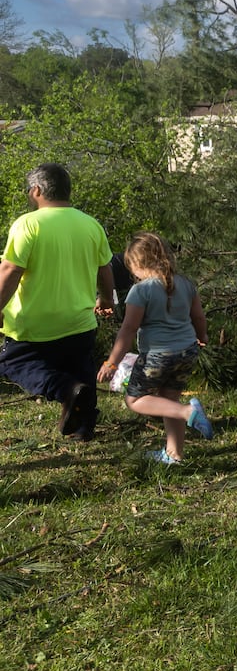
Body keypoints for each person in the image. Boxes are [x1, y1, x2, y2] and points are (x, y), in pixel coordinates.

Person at [0, 163, 115, 441]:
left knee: (13, 364)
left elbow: (10, 271)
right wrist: (106, 298)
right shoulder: (90, 224)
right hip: (80, 321)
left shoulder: (28, 224)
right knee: (81, 369)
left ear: (37, 190)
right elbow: (105, 269)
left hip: (35, 325)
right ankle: (85, 427)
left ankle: (65, 390)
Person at [96, 232, 214, 464]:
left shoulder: (140, 291)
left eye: (132, 268)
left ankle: (188, 413)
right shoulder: (186, 284)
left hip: (158, 355)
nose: (133, 275)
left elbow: (128, 330)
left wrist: (112, 362)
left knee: (135, 400)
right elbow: (198, 317)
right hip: (187, 352)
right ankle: (175, 454)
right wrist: (202, 337)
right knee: (169, 399)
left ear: (139, 264)